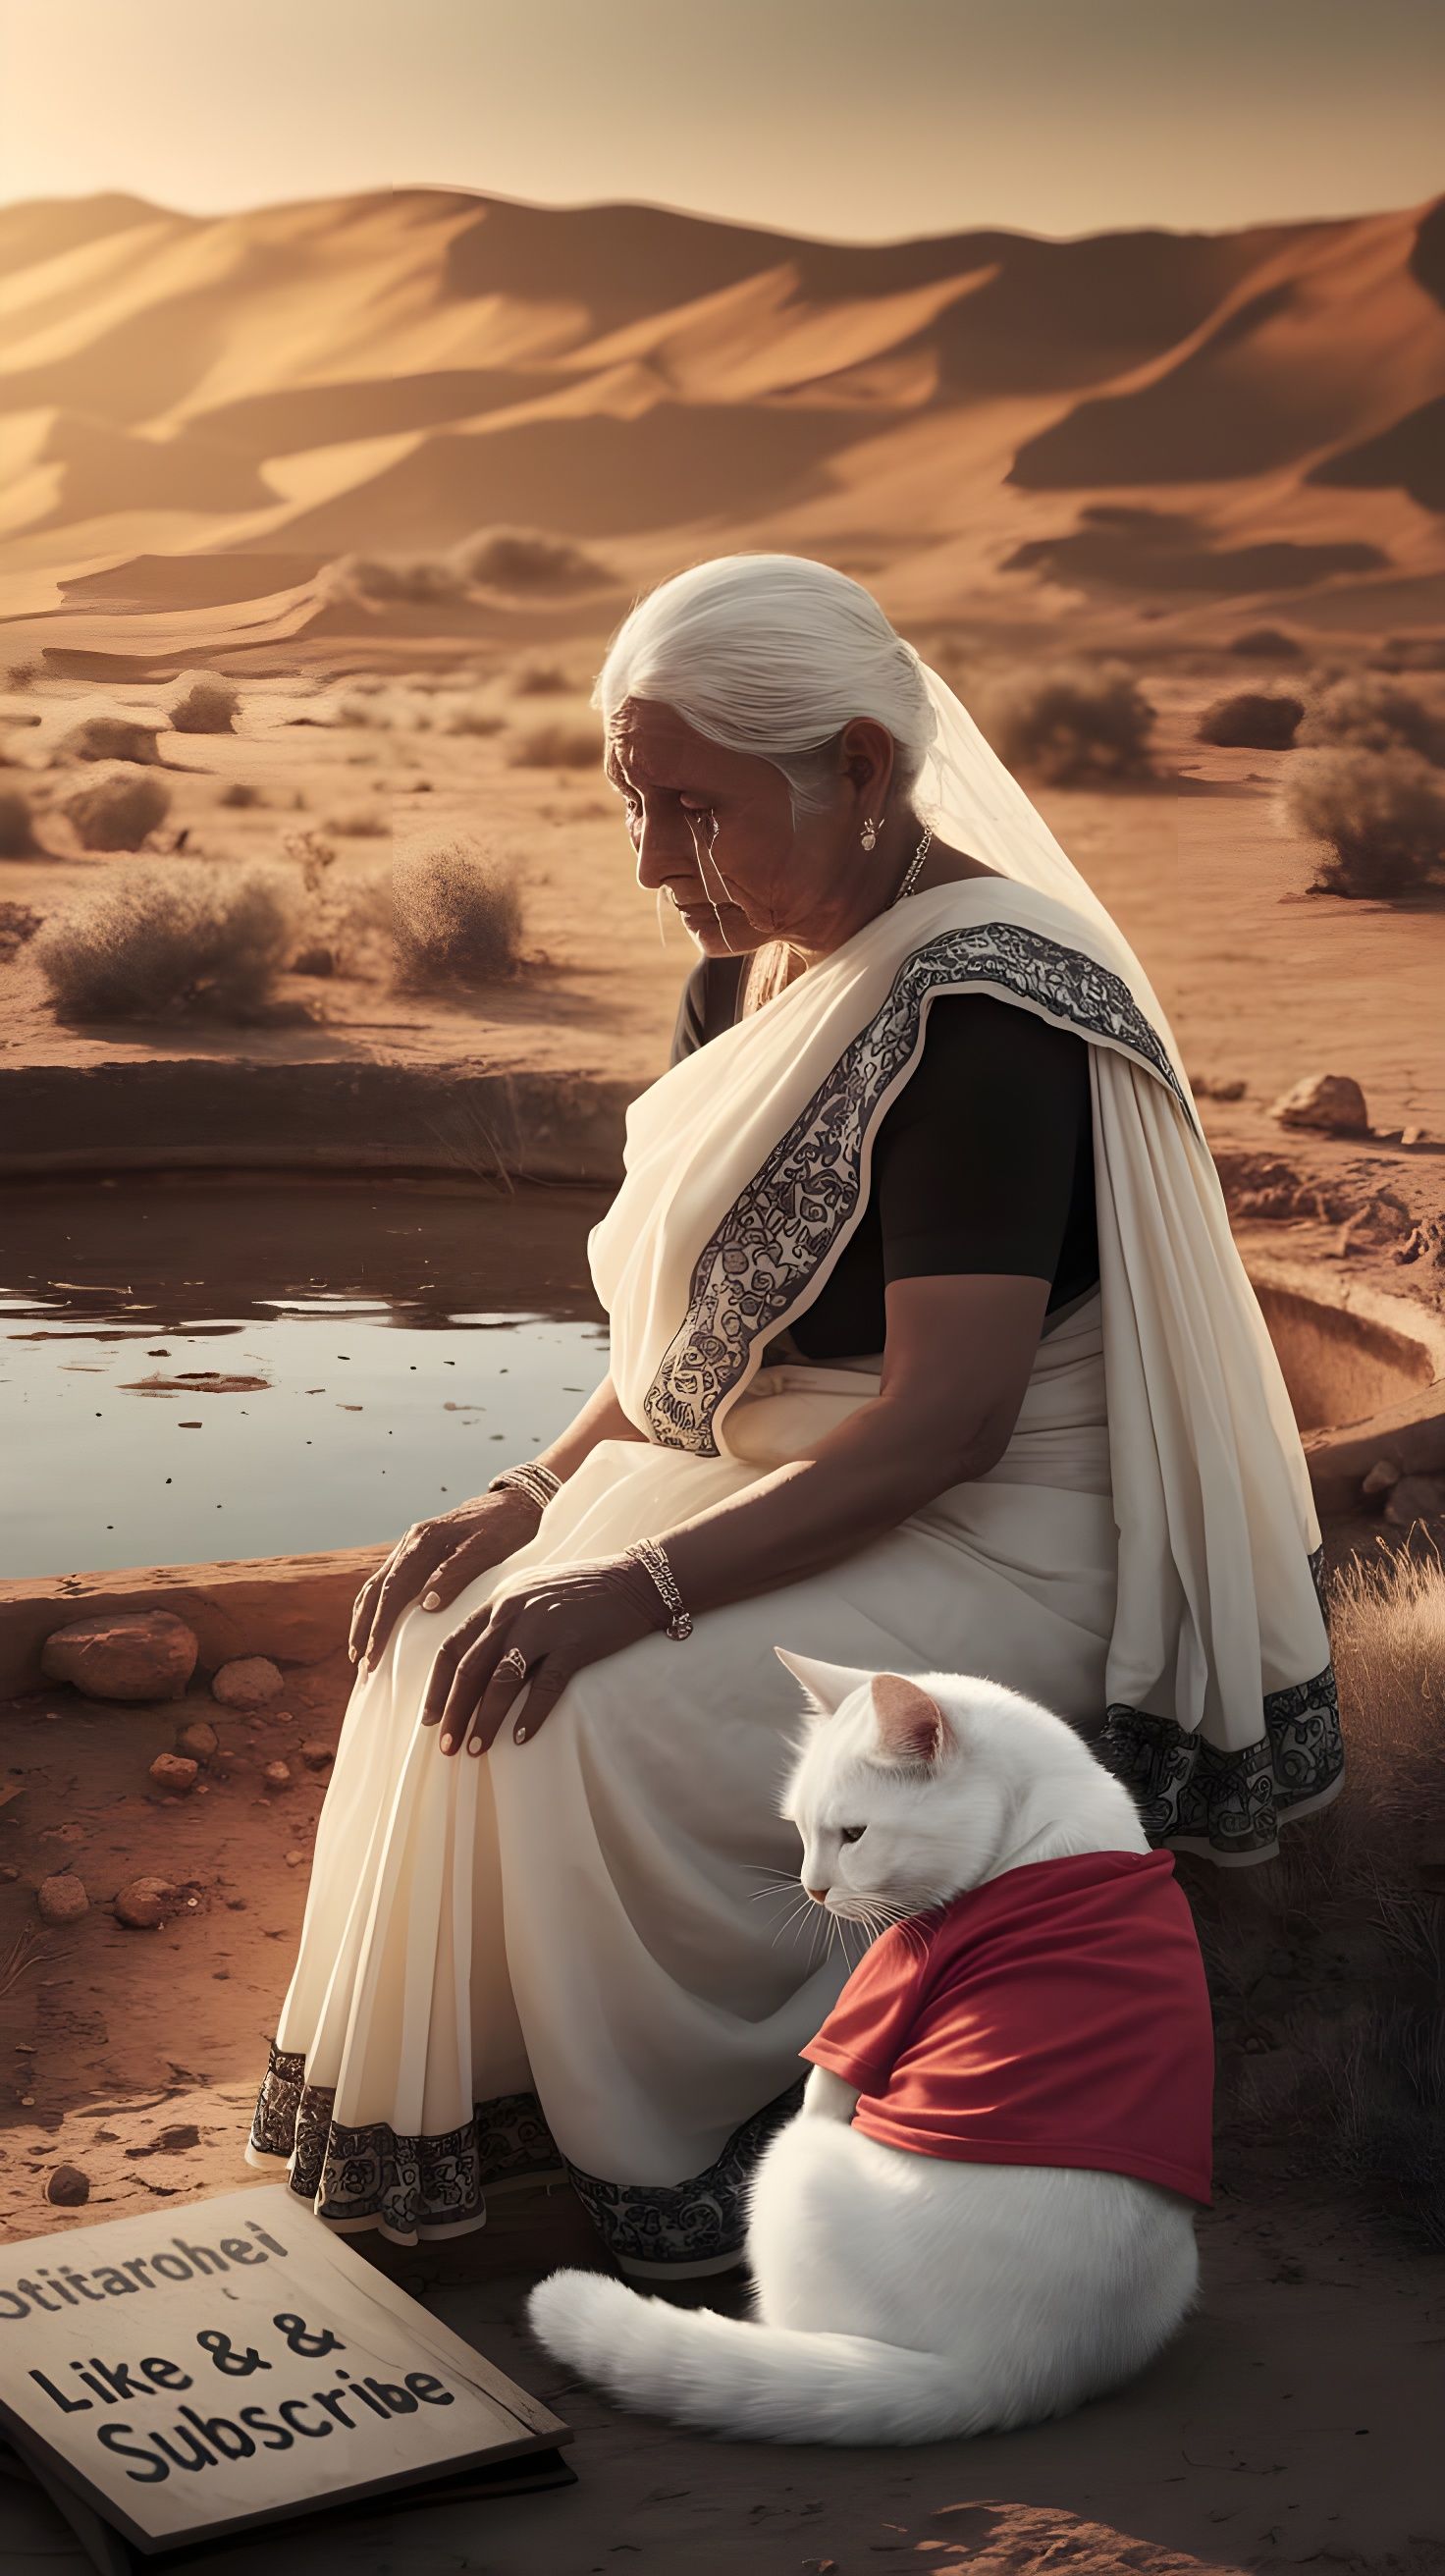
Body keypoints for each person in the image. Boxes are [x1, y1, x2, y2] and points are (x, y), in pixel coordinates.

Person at [247, 552, 1342, 2280]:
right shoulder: (745, 974)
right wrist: (527, 1497)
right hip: (795, 1482)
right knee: (446, 1624)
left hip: (992, 1536)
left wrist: (635, 1588)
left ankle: (704, 2148)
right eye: (631, 803)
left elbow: (945, 1427)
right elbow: (685, 1361)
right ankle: (512, 2110)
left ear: (855, 768)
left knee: (581, 1704)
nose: (649, 863)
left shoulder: (985, 1008)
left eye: (691, 811)